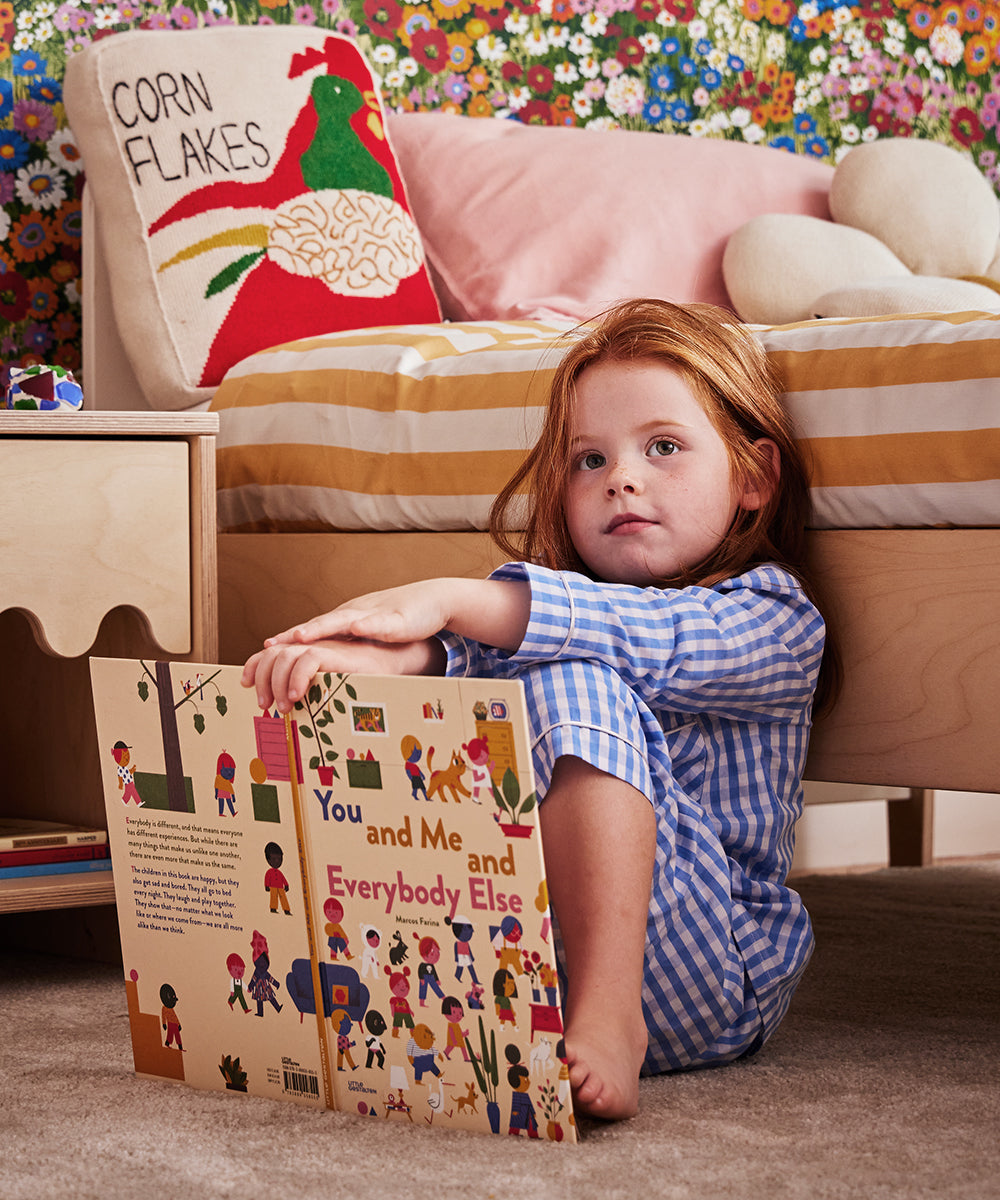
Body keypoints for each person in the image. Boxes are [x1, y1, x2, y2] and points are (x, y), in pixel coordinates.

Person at [242, 298, 837, 1122]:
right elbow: (487, 657)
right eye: (589, 460)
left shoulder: (775, 618)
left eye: (663, 447)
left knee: (573, 677)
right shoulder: (568, 613)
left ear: (753, 478)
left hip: (718, 971)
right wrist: (377, 654)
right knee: (496, 691)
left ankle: (609, 1016)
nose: (622, 477)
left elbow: (645, 637)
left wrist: (448, 600)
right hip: (543, 965)